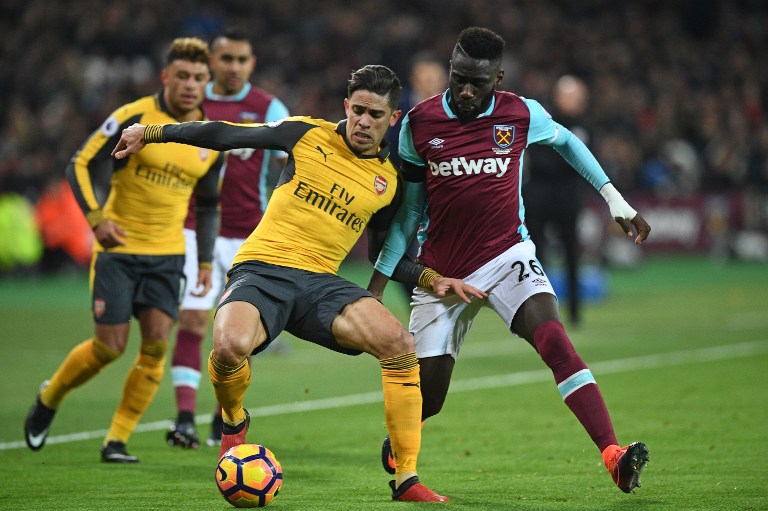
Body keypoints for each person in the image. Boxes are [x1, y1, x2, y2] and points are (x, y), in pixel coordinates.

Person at [112, 64, 484, 502]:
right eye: (358, 110)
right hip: (262, 270)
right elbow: (227, 135)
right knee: (229, 347)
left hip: (322, 284)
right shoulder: (305, 133)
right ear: (346, 105)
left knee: (399, 342)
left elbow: (389, 252)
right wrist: (153, 133)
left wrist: (428, 277)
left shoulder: (390, 182)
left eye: (375, 115)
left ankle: (406, 479)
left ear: (393, 118)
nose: (364, 122)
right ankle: (234, 421)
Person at [369, 27, 652, 494]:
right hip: (442, 272)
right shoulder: (419, 124)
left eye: (476, 83)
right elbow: (410, 213)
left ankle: (613, 455)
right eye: (457, 78)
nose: (463, 90)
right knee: (430, 397)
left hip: (508, 255)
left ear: (497, 79)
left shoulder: (520, 113)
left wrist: (612, 197)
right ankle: (402, 437)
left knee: (555, 342)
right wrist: (378, 287)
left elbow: (567, 143)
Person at [23, 37, 225, 463]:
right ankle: (50, 396)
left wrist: (204, 260)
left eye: (199, 78)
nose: (191, 85)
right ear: (166, 76)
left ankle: (116, 440)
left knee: (155, 347)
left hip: (169, 256)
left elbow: (208, 205)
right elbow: (79, 163)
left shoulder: (207, 138)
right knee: (109, 347)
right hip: (118, 250)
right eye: (183, 76)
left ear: (209, 82)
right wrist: (96, 219)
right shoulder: (133, 116)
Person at [167, 29, 290, 450]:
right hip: (195, 231)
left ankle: (223, 415)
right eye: (226, 59)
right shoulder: (193, 104)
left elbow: (292, 164)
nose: (233, 67)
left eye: (241, 60)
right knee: (193, 320)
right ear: (213, 62)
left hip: (250, 236)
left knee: (238, 334)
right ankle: (184, 418)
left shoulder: (267, 107)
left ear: (251, 63)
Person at [523, 75, 592, 326]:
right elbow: (542, 160)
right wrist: (567, 162)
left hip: (568, 200)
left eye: (579, 97)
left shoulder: (584, 125)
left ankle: (574, 314)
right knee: (536, 258)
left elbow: (583, 161)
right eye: (572, 96)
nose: (577, 101)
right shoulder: (545, 121)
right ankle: (539, 314)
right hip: (540, 199)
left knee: (572, 256)